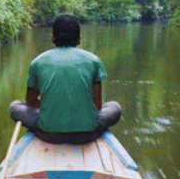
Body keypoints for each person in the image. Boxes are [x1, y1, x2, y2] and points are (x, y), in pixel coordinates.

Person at [10, 14, 122, 144]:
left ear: (52, 37)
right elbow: (97, 106)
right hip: (86, 134)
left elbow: (30, 103)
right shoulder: (94, 60)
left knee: (15, 106)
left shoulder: (38, 62)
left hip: (48, 134)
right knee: (114, 107)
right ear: (79, 38)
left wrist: (49, 102)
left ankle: (51, 123)